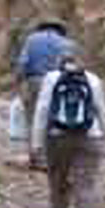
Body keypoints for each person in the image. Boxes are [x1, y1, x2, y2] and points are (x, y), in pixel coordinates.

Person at [30, 42, 105, 208]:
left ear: (60, 61)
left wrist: (36, 143)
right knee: (86, 188)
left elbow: (43, 110)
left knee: (58, 185)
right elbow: (101, 111)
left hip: (58, 138)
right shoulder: (93, 80)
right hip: (89, 138)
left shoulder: (51, 78)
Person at [16, 19, 70, 168]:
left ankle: (36, 157)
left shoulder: (31, 39)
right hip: (58, 83)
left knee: (33, 119)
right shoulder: (66, 43)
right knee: (55, 120)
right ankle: (54, 158)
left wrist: (19, 82)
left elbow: (22, 63)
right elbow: (70, 66)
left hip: (34, 81)